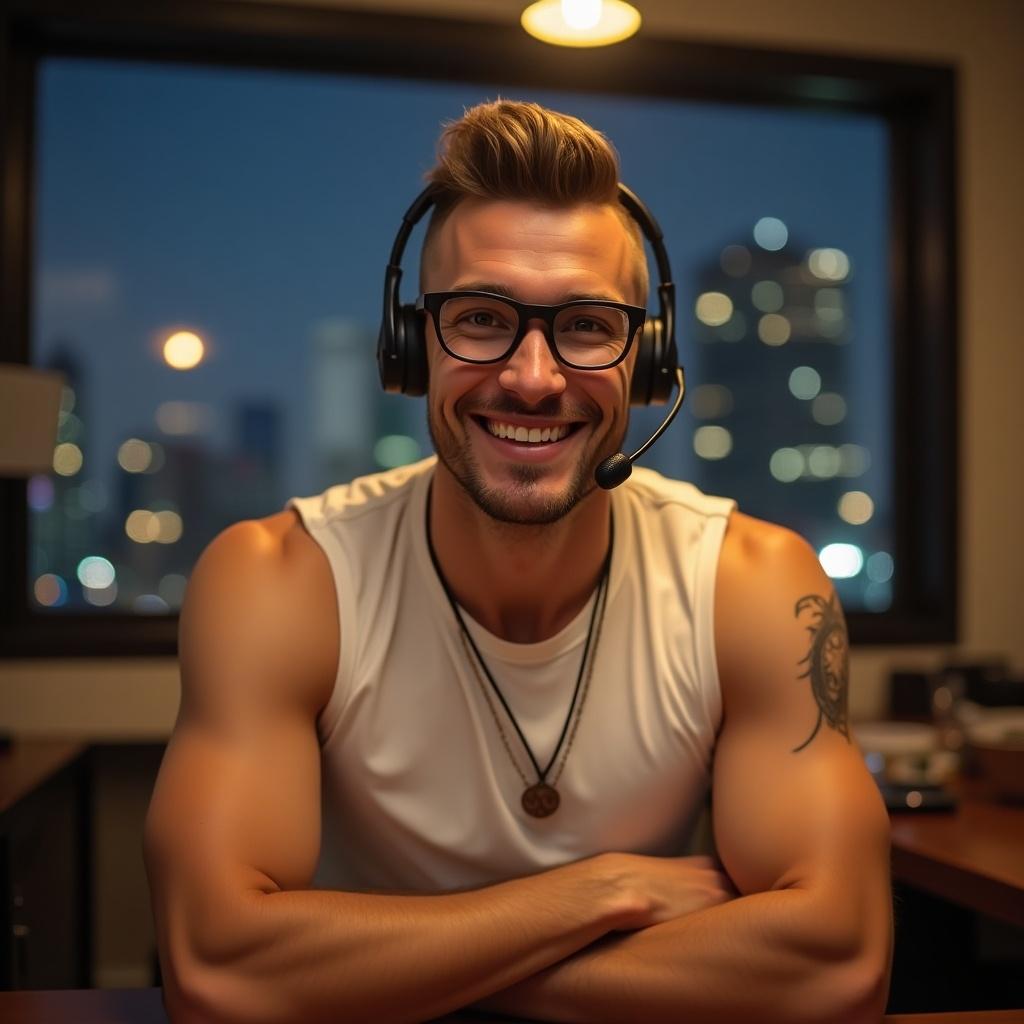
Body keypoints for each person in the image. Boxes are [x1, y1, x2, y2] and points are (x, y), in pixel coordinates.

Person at [144, 99, 893, 1023]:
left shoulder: (752, 582)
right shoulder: (278, 579)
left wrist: (411, 978)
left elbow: (840, 964)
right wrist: (600, 894)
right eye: (483, 317)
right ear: (412, 345)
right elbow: (219, 974)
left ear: (646, 360)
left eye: (585, 325)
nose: (533, 378)